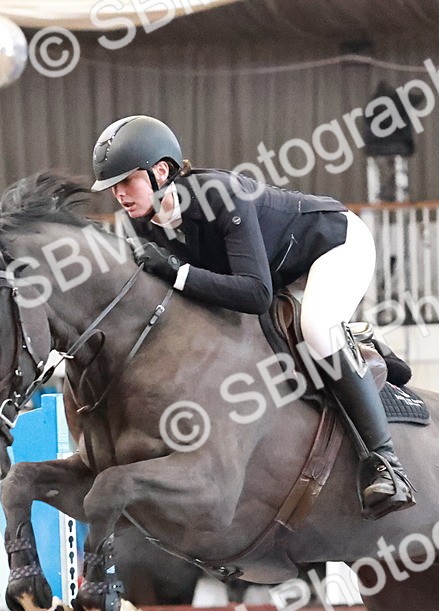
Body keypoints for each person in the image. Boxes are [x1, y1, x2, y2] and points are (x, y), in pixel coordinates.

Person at [91, 115, 414, 518]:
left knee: (316, 329)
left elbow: (256, 294)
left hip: (332, 246)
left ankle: (385, 463)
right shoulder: (142, 221)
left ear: (160, 172)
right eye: (113, 187)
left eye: (126, 181)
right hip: (275, 272)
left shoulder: (220, 196)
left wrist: (177, 272)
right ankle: (362, 345)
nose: (119, 194)